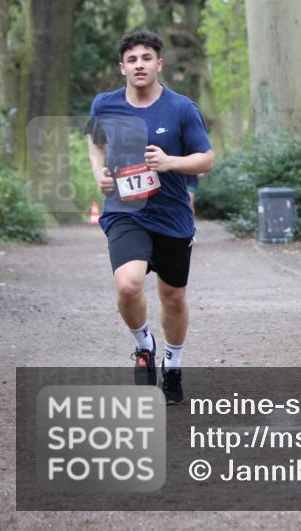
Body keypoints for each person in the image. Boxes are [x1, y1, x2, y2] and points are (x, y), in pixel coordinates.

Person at [85, 30, 213, 404]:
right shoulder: (104, 104)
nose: (139, 65)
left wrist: (171, 162)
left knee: (173, 296)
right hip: (125, 211)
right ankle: (144, 346)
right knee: (128, 285)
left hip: (172, 215)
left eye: (146, 58)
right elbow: (95, 142)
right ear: (122, 67)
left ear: (159, 64)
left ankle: (173, 364)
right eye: (132, 59)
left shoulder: (181, 108)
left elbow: (206, 159)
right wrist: (98, 172)